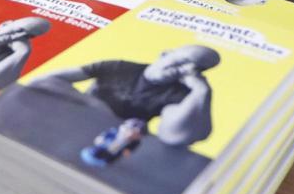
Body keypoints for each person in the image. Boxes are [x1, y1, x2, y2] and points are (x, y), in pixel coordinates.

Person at [34, 45, 220, 146]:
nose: (187, 69)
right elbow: (44, 81)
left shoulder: (179, 95)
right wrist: (95, 106)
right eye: (185, 60)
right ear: (165, 54)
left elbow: (175, 137)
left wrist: (202, 92)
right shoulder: (118, 67)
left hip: (109, 141)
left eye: (198, 69)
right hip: (69, 121)